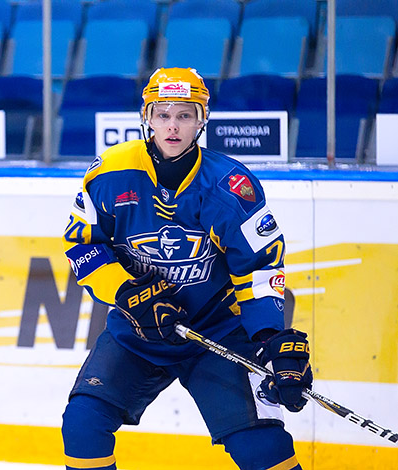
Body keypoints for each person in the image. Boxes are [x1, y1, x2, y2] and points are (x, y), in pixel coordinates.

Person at [61, 67, 312, 470]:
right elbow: (83, 245)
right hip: (138, 331)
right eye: (162, 114)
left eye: (184, 115)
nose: (173, 126)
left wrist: (269, 338)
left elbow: (259, 266)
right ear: (147, 117)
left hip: (217, 331)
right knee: (82, 425)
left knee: (262, 449)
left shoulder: (229, 185)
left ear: (202, 119)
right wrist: (126, 293)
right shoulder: (109, 173)